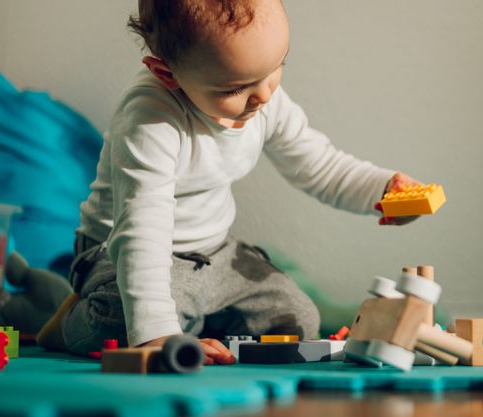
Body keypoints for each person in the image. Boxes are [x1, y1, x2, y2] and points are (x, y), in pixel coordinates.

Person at [37, 0, 421, 364]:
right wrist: (157, 335)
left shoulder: (263, 96)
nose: (264, 95)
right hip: (122, 252)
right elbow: (142, 230)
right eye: (236, 89)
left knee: (296, 321)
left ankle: (195, 322)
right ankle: (70, 324)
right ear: (167, 74)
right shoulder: (149, 120)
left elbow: (319, 165)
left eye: (276, 67)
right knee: (129, 326)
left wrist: (382, 192)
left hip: (212, 253)